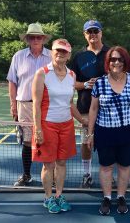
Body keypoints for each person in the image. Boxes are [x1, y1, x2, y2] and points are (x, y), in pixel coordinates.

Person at [87, 46, 130, 216]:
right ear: (108, 62)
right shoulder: (99, 83)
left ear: (125, 61)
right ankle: (106, 197)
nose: (116, 62)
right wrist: (90, 134)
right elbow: (93, 109)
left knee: (124, 166)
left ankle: (121, 196)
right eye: (113, 59)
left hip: (128, 131)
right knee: (106, 167)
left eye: (120, 59)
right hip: (105, 132)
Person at [31, 39, 86, 214]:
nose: (60, 54)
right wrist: (38, 129)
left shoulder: (72, 75)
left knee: (61, 162)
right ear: (51, 52)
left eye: (64, 51)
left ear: (69, 55)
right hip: (47, 125)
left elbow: (70, 103)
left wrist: (83, 121)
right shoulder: (42, 73)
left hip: (66, 125)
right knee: (48, 164)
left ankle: (59, 195)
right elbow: (36, 104)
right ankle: (48, 197)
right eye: (57, 50)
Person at [7, 23, 52, 186]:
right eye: (32, 37)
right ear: (27, 39)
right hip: (24, 104)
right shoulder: (18, 56)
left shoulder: (52, 56)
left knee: (47, 139)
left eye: (38, 37)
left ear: (43, 39)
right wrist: (13, 103)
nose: (35, 39)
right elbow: (12, 81)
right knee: (27, 141)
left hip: (47, 105)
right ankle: (27, 175)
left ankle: (50, 177)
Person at [70, 19, 109, 188]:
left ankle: (107, 173)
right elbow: (70, 82)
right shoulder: (78, 56)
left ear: (101, 33)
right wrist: (85, 84)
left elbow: (120, 78)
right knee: (86, 143)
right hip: (85, 107)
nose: (93, 35)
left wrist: (104, 82)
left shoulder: (110, 53)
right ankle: (87, 174)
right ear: (85, 35)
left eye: (96, 31)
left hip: (109, 109)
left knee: (108, 143)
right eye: (89, 32)